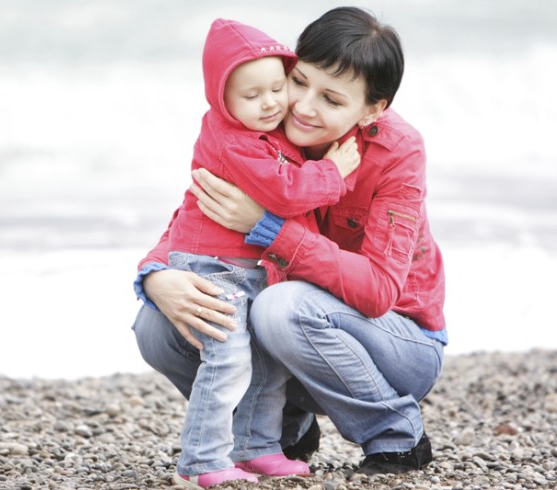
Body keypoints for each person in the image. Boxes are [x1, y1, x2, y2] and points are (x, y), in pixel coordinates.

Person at [134, 5, 447, 484]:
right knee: (160, 324)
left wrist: (268, 227)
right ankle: (272, 432)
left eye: (332, 100)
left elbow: (380, 290)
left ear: (373, 109)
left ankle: (395, 433)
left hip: (394, 343)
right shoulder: (262, 121)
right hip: (293, 343)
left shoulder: (397, 152)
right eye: (298, 81)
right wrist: (157, 275)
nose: (301, 106)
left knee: (279, 306)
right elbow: (195, 213)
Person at [155, 18, 361, 489]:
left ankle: (256, 448)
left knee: (265, 363)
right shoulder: (233, 141)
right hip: (214, 268)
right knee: (227, 359)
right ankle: (200, 461)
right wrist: (332, 171)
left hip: (251, 267)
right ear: (221, 99)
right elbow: (286, 193)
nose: (270, 103)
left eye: (277, 86)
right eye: (252, 95)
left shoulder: (267, 131)